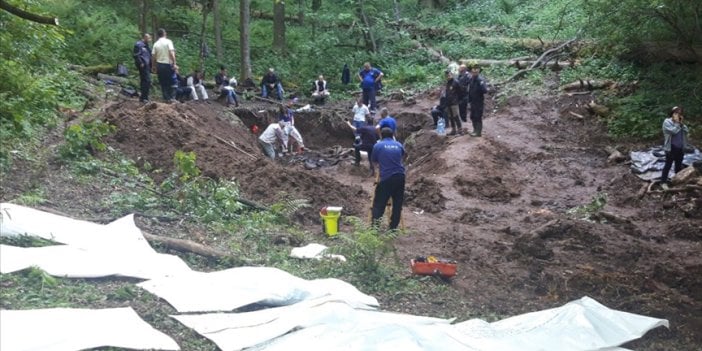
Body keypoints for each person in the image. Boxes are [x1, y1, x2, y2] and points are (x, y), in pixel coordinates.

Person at [371, 127, 406, 230]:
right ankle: (393, 228)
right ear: (393, 135)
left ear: (381, 136)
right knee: (397, 204)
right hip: (400, 176)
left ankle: (375, 229)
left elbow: (374, 161)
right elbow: (403, 156)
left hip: (386, 177)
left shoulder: (378, 145)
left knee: (379, 203)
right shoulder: (399, 144)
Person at [660, 106, 689, 184]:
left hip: (680, 147)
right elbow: (673, 131)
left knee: (678, 165)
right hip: (671, 148)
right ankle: (663, 182)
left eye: (679, 113)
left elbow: (686, 131)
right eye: (676, 113)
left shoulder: (680, 123)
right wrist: (677, 123)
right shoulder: (667, 122)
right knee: (668, 165)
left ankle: (677, 181)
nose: (678, 115)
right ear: (672, 113)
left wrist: (681, 123)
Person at [151, 28, 177, 102]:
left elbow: (153, 56)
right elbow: (171, 53)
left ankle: (166, 98)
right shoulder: (168, 42)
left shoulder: (155, 44)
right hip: (168, 64)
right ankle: (172, 98)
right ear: (164, 34)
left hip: (159, 65)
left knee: (163, 82)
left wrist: (153, 66)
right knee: (173, 81)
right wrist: (174, 63)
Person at [468, 65, 488, 137]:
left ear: (479, 70)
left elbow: (485, 90)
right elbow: (470, 89)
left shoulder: (480, 80)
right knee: (472, 116)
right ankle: (474, 130)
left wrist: (480, 86)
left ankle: (478, 132)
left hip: (479, 101)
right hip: (472, 101)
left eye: (476, 69)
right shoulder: (471, 79)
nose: (475, 71)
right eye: (473, 69)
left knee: (478, 116)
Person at [132, 33, 152, 103]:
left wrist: (151, 66)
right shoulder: (139, 45)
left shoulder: (147, 46)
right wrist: (140, 63)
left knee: (146, 81)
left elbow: (150, 56)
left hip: (147, 66)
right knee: (147, 80)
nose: (150, 40)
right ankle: (144, 98)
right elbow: (136, 55)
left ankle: (143, 97)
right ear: (145, 37)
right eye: (149, 38)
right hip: (143, 65)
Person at [444, 70, 464, 135]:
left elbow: (460, 92)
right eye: (447, 75)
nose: (448, 76)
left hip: (454, 102)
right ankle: (453, 130)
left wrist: (458, 100)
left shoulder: (456, 82)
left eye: (449, 75)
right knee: (450, 117)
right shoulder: (448, 83)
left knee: (456, 116)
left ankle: (460, 130)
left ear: (452, 74)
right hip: (448, 102)